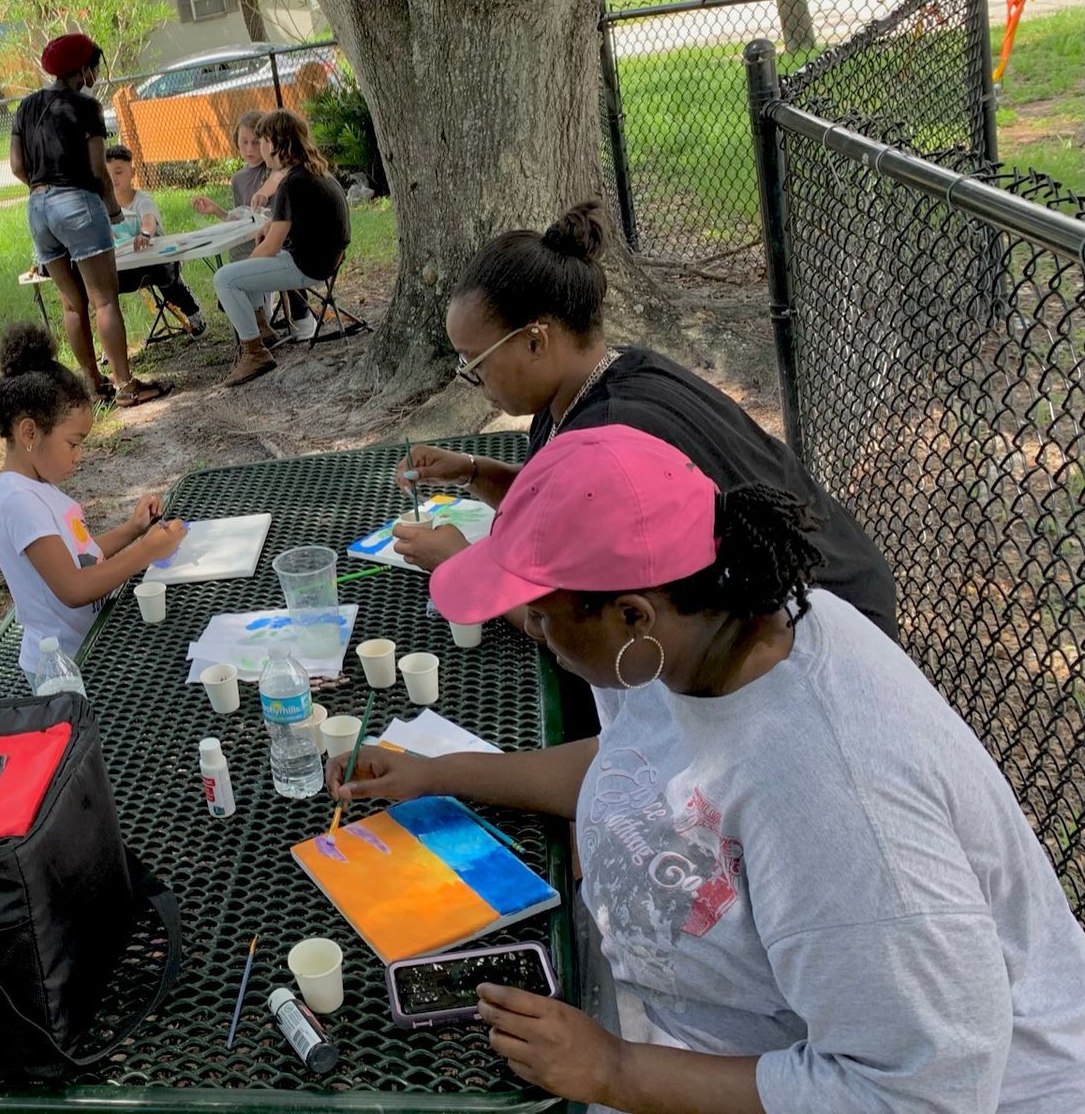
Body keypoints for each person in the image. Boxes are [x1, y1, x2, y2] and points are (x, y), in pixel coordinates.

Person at [333, 424, 1085, 1114]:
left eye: (540, 614)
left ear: (632, 614)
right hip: (713, 1030)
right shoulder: (709, 630)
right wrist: (436, 771)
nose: (534, 632)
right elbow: (639, 773)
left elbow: (923, 1091)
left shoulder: (835, 798)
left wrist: (617, 1072)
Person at [389, 202, 899, 639]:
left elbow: (580, 628)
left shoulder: (610, 437)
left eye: (473, 362)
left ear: (535, 340)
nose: (468, 377)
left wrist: (460, 568)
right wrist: (473, 472)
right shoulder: (600, 378)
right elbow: (569, 515)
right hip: (833, 585)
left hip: (817, 627)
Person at [0, 325, 185, 680]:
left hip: (87, 646)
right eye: (73, 443)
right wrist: (146, 552)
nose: (79, 456)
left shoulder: (37, 486)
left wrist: (133, 530)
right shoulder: (18, 501)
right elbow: (74, 588)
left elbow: (81, 556)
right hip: (63, 669)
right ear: (29, 433)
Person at [10, 32, 168, 408]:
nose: (95, 74)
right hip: (77, 204)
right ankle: (127, 387)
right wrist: (113, 210)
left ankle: (94, 387)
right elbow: (98, 171)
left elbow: (18, 166)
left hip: (37, 207)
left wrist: (41, 186)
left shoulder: (26, 107)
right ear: (82, 70)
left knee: (71, 303)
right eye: (94, 67)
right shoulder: (86, 106)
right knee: (104, 301)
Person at [211, 109, 350, 386]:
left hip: (308, 265)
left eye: (261, 140)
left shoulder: (292, 182)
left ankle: (255, 351)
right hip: (325, 259)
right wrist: (268, 230)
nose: (259, 147)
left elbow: (272, 247)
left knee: (225, 278)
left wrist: (243, 268)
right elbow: (284, 226)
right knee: (242, 273)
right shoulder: (313, 170)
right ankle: (262, 331)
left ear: (275, 143)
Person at [192, 109, 309, 334]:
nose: (250, 149)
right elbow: (239, 217)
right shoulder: (237, 179)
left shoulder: (273, 166)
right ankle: (258, 321)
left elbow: (279, 178)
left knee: (277, 250)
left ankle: (299, 313)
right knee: (238, 255)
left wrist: (264, 192)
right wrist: (217, 211)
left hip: (279, 236)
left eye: (256, 143)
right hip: (253, 238)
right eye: (244, 142)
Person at [106, 145, 206, 337]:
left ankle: (193, 311)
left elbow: (148, 221)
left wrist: (144, 234)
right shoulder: (104, 205)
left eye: (118, 172)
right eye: (108, 173)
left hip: (157, 259)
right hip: (125, 262)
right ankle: (113, 336)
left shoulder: (142, 200)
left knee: (170, 288)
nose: (113, 178)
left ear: (132, 173)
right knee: (105, 292)